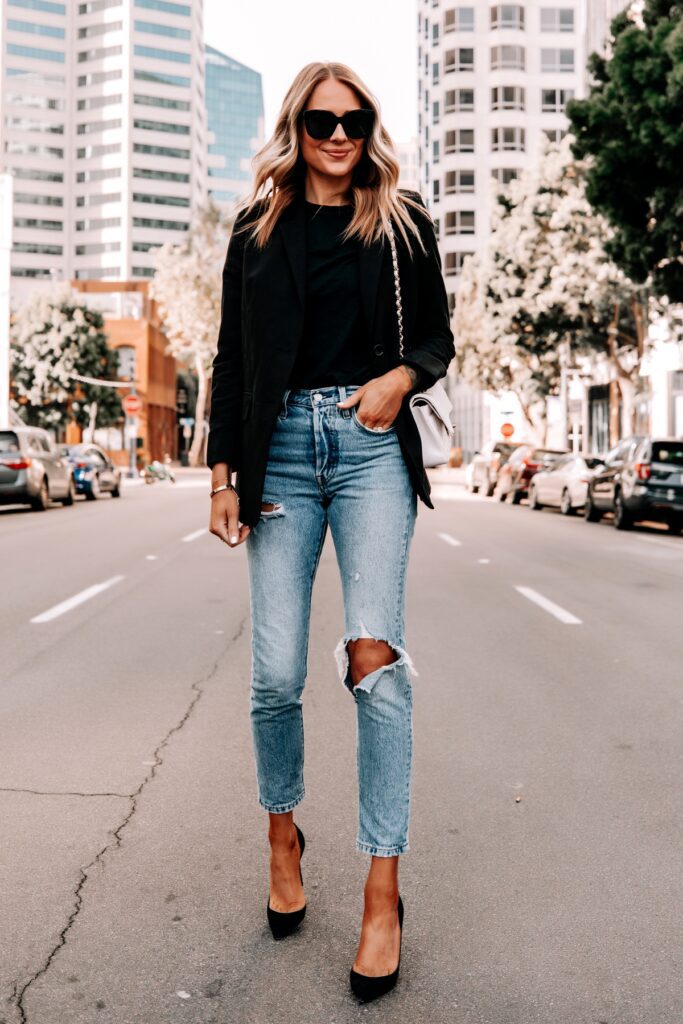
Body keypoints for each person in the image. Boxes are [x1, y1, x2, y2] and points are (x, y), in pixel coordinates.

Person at [207, 61, 454, 1002]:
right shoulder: (256, 229)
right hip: (276, 454)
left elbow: (436, 337)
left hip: (366, 449)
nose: (341, 135)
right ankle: (282, 831)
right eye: (322, 121)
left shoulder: (401, 222)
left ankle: (382, 894)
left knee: (372, 663)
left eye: (355, 120)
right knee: (274, 671)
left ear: (368, 127)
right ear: (297, 127)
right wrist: (222, 472)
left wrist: (401, 378)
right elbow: (232, 355)